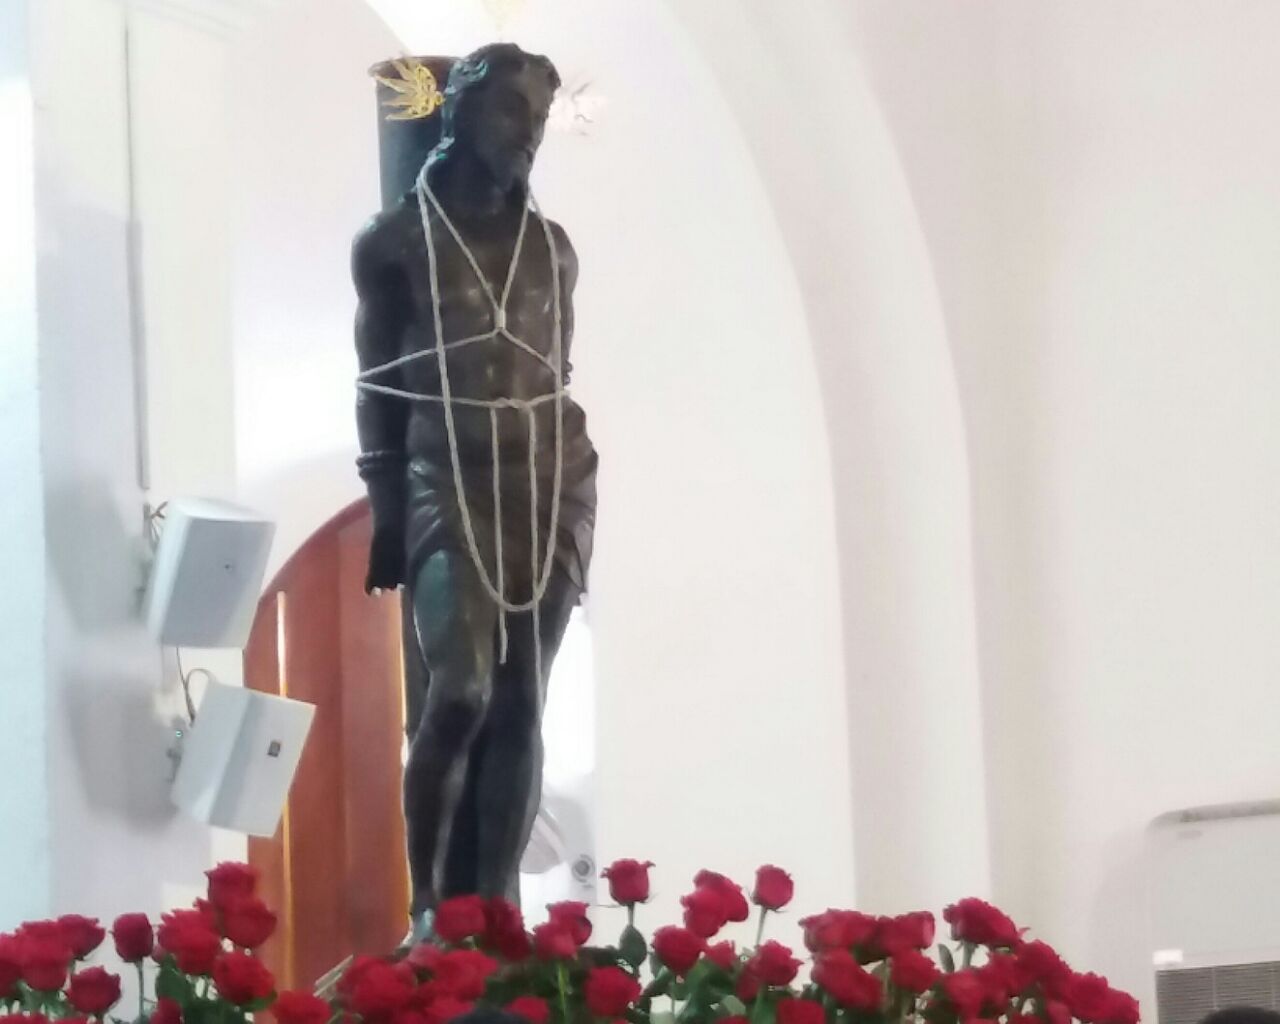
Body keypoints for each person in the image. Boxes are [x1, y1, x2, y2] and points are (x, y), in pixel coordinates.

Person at [351, 43, 598, 937]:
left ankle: (496, 911)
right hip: (445, 475)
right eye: (509, 112)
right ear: (458, 111)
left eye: (539, 118)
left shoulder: (552, 249)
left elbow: (552, 372)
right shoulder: (394, 242)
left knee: (524, 696)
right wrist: (386, 513)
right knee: (459, 691)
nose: (528, 134)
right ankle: (429, 905)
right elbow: (376, 384)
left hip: (550, 476)